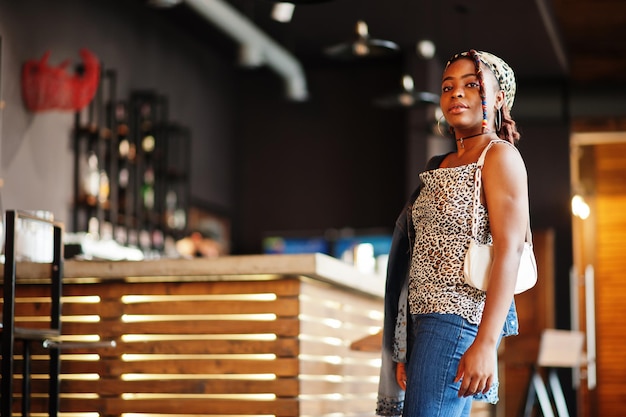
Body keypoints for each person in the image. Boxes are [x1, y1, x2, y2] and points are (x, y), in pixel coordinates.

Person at [376, 49, 529, 417]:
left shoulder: (498, 157)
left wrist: (486, 342)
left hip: (458, 320)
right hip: (422, 324)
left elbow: (510, 251)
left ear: (497, 99)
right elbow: (420, 258)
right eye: (448, 87)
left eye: (471, 85)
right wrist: (405, 347)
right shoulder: (438, 164)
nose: (456, 94)